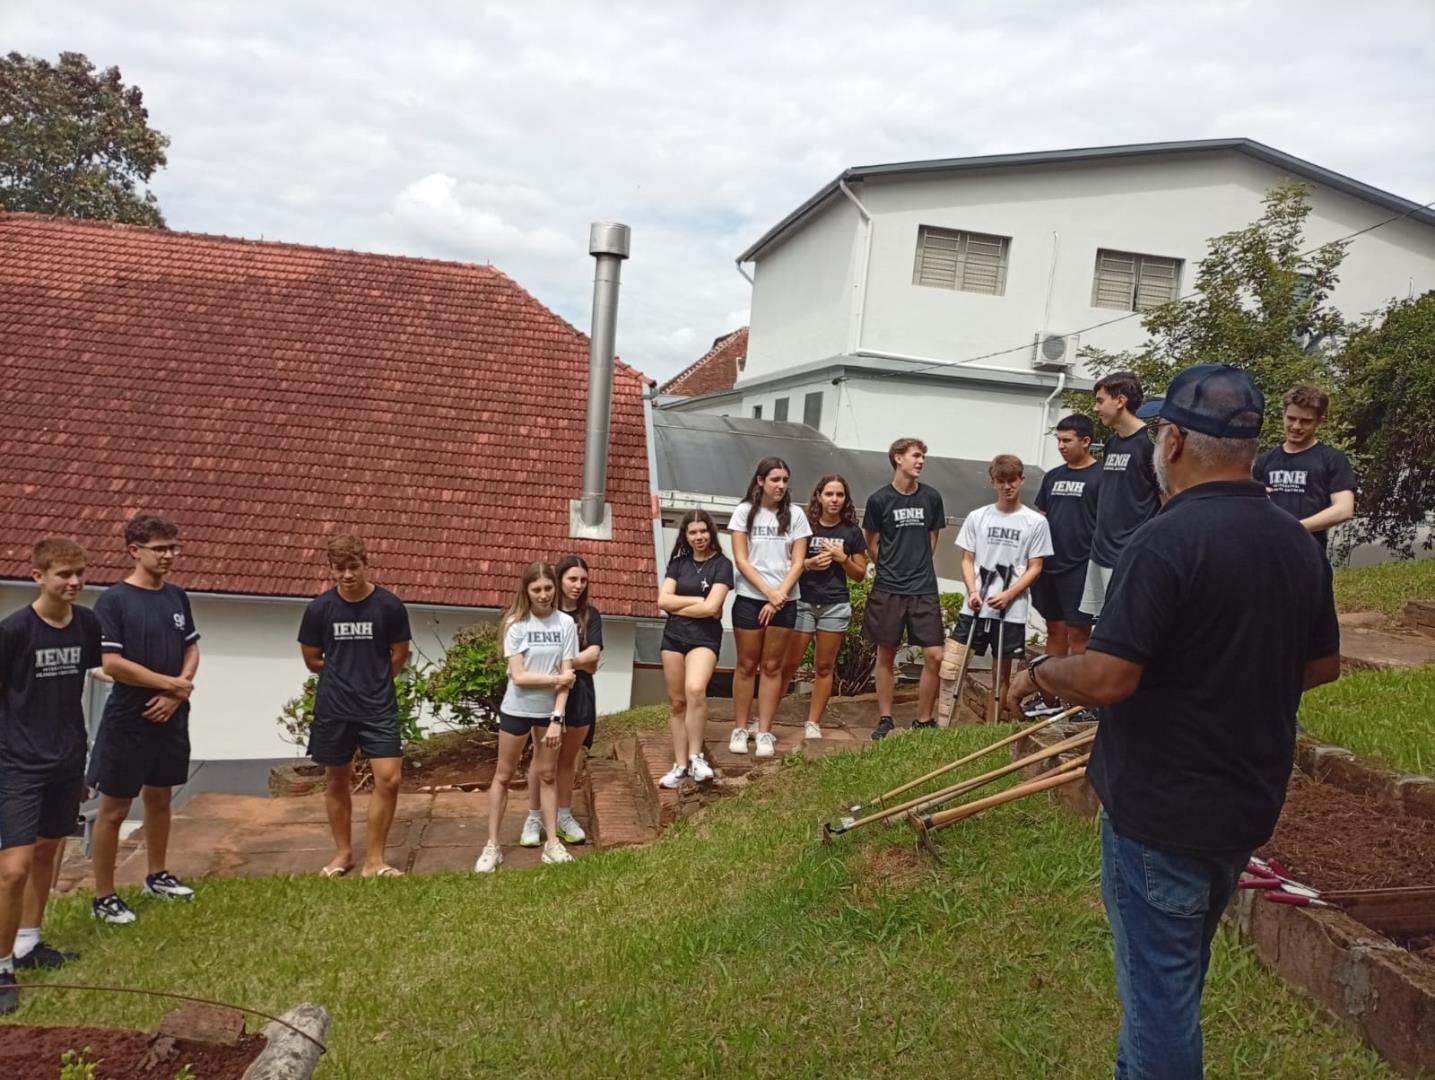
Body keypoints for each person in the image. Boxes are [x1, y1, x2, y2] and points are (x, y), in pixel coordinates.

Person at [1006, 364, 1341, 1079]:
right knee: (1173, 978)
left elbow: (1107, 676)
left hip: (1161, 814)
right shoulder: (1292, 541)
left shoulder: (1164, 539)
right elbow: (1321, 665)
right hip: (1245, 803)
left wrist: (1038, 674)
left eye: (1162, 429)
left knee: (1160, 1001)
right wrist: (1229, 683)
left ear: (1176, 441)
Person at [0, 539, 102, 1012]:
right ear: (38, 576)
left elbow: (97, 673)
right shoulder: (14, 631)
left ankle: (29, 942)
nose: (74, 582)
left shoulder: (87, 624)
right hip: (18, 763)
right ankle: (2, 967)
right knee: (13, 870)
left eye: (80, 573)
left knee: (48, 851)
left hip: (67, 757)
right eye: (64, 574)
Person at [89, 514, 201, 925]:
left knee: (160, 796)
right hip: (129, 715)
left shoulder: (177, 597)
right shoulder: (114, 601)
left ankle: (157, 875)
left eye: (174, 547)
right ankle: (104, 896)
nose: (169, 555)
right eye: (160, 549)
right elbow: (112, 663)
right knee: (115, 807)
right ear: (134, 551)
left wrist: (177, 692)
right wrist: (170, 685)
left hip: (171, 711)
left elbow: (191, 647)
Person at [298, 534, 413, 878]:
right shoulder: (319, 609)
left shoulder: (389, 606)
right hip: (334, 707)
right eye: (340, 568)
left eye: (353, 567)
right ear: (331, 570)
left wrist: (373, 679)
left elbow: (399, 654)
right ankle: (343, 854)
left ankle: (375, 861)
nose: (347, 575)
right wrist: (343, 676)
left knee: (389, 779)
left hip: (378, 706)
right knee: (337, 779)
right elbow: (312, 659)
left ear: (365, 564)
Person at [474, 563, 578, 872]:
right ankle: (492, 846)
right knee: (503, 775)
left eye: (548, 588)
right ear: (527, 591)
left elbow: (568, 675)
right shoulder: (516, 623)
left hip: (549, 714)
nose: (543, 595)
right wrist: (556, 679)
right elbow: (519, 677)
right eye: (537, 590)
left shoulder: (566, 623)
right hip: (516, 710)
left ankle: (552, 844)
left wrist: (557, 718)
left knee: (547, 775)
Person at [953, 455, 1052, 721]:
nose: (1007, 487)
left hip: (1012, 609)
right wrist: (972, 592)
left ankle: (992, 727)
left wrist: (1009, 594)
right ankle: (943, 723)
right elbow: (967, 559)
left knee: (1001, 673)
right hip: (975, 605)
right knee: (952, 667)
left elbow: (1036, 566)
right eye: (1001, 481)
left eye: (1012, 481)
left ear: (1021, 480)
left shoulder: (1035, 522)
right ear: (993, 482)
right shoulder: (978, 517)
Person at [727, 457, 811, 758]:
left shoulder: (796, 514)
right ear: (761, 481)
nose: (781, 485)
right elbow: (742, 560)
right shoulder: (744, 512)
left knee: (773, 667)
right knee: (746, 665)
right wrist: (768, 594)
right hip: (750, 598)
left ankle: (764, 730)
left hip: (785, 600)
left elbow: (798, 562)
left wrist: (780, 596)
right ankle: (740, 728)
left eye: (785, 480)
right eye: (775, 479)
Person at [863, 437, 946, 740]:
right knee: (886, 653)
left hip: (923, 587)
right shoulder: (879, 500)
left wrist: (916, 565)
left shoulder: (931, 497)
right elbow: (872, 542)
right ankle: (885, 718)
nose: (921, 461)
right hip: (889, 588)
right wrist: (891, 568)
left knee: (935, 655)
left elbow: (933, 538)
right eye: (915, 456)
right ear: (898, 458)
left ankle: (923, 720)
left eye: (923, 456)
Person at [522, 554, 602, 848]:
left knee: (567, 760)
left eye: (583, 580)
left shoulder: (590, 615)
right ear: (559, 580)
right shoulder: (544, 613)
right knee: (542, 760)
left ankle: (564, 816)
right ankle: (534, 816)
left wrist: (564, 663)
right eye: (572, 579)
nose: (578, 585)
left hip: (580, 695)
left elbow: (594, 656)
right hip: (544, 694)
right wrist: (577, 663)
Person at [782, 475, 868, 739]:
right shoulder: (805, 526)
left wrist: (843, 559)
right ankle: (766, 718)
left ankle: (813, 722)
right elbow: (786, 562)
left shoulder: (852, 532)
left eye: (839, 495)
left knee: (824, 666)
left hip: (835, 604)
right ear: (818, 496)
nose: (834, 500)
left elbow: (860, 574)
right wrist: (808, 564)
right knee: (788, 664)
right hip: (803, 601)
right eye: (829, 494)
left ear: (846, 499)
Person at [1028, 414, 1102, 714]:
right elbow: (1042, 517)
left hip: (1082, 566)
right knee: (1054, 628)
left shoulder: (1102, 477)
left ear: (1085, 441)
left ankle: (1082, 704)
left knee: (1079, 632)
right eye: (1058, 440)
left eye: (1067, 440)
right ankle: (1049, 699)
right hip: (1049, 566)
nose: (1061, 446)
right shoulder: (1053, 477)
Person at [657, 511, 734, 788]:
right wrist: (698, 602)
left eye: (703, 531)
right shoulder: (678, 563)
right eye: (693, 532)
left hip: (704, 639)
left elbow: (713, 607)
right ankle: (680, 766)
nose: (699, 537)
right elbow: (662, 601)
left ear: (711, 532)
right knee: (677, 702)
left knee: (695, 689)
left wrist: (680, 605)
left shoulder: (722, 565)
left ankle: (696, 757)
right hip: (673, 638)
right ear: (685, 536)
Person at [1080, 372, 1159, 622]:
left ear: (1121, 400)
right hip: (1101, 550)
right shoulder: (1112, 443)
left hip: (1130, 553)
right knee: (1101, 625)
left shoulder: (1150, 443)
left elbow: (1166, 498)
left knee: (1126, 625)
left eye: (1100, 400)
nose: (1096, 408)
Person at [1254, 384, 1356, 558]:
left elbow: (1344, 509)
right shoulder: (1265, 460)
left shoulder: (1332, 459)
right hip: (1267, 555)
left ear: (1320, 421)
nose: (1296, 426)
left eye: (1306, 421)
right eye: (1291, 418)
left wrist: (1296, 528)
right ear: (1283, 415)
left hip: (1309, 556)